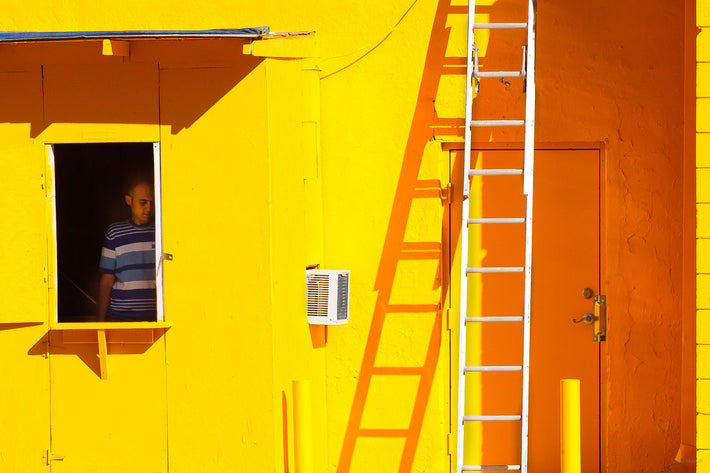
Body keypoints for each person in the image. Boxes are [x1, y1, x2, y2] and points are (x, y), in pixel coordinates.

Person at [97, 178, 157, 322]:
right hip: (120, 319)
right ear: (129, 200)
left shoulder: (161, 231)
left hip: (156, 320)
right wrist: (99, 322)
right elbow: (107, 281)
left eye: (152, 202)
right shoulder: (115, 233)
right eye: (143, 202)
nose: (148, 208)